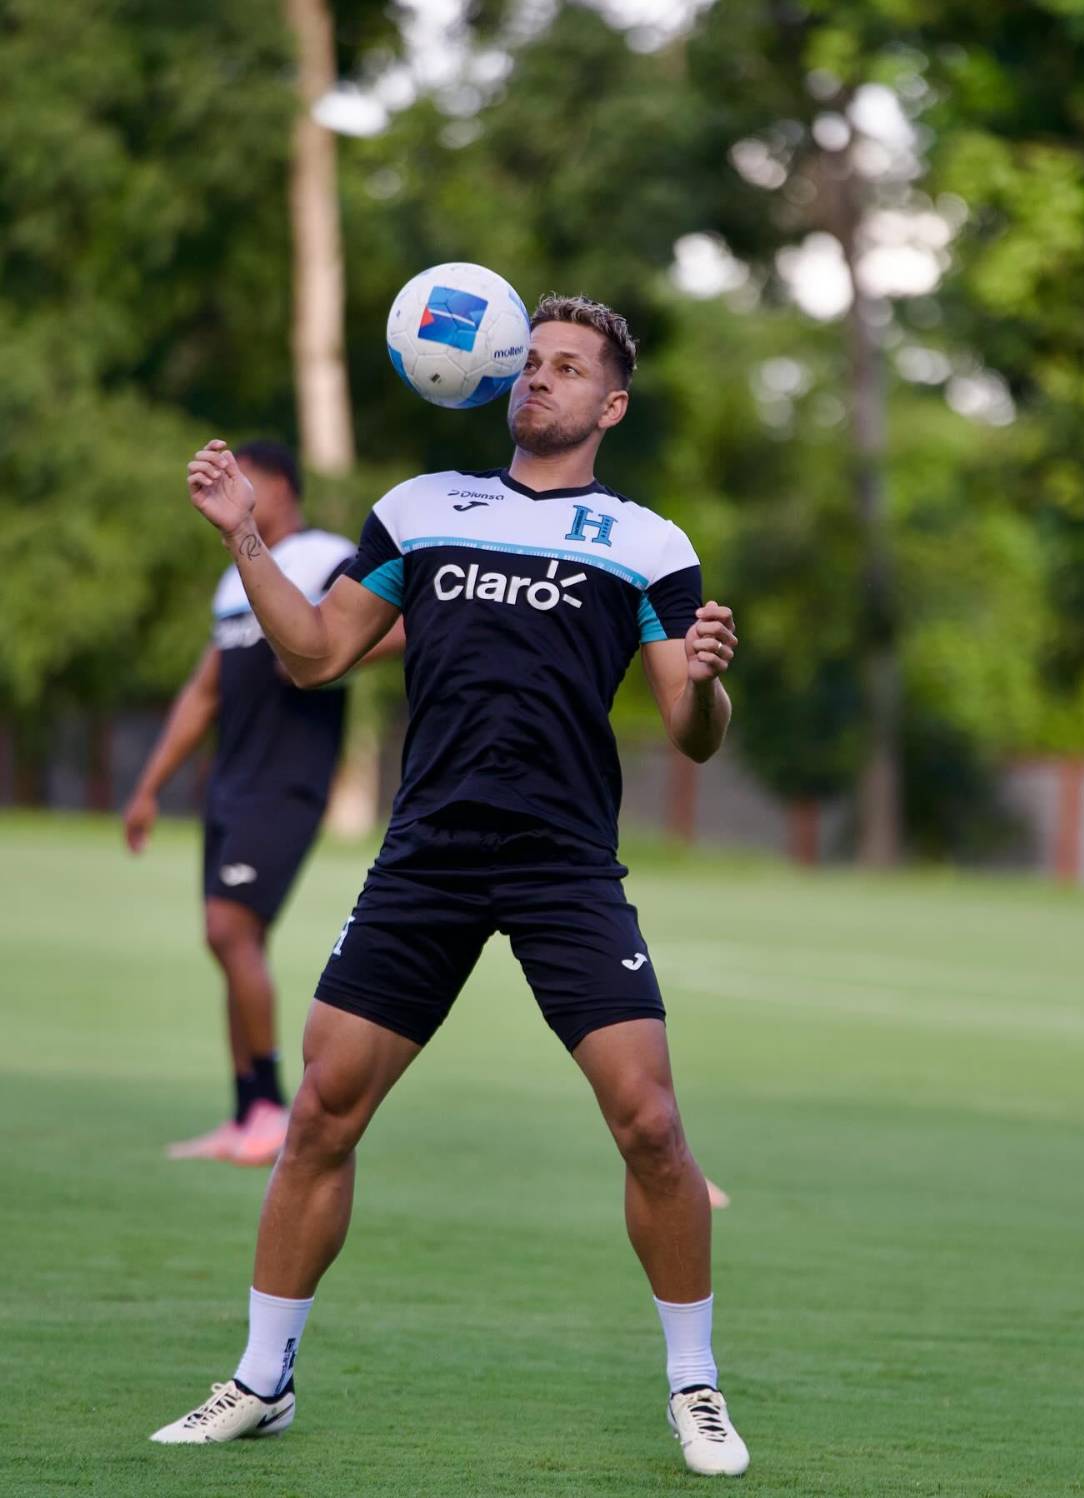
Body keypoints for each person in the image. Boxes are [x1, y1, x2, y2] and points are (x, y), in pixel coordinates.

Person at [150, 297, 749, 1476]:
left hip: (565, 865)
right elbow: (316, 655)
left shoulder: (650, 543)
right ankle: (262, 1378)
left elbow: (693, 731)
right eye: (530, 363)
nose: (540, 381)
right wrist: (244, 538)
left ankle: (697, 1386)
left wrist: (714, 681)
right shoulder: (420, 509)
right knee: (322, 1110)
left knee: (653, 1125)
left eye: (569, 368)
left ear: (610, 405)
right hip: (425, 858)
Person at [123, 440, 404, 1168]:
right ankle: (248, 1108)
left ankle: (273, 1108)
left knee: (229, 930)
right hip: (233, 785)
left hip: (289, 781)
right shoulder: (234, 582)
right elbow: (205, 690)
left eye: (243, 481)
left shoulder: (324, 556)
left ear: (275, 485)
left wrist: (319, 655)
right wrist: (150, 786)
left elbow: (400, 627)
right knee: (230, 941)